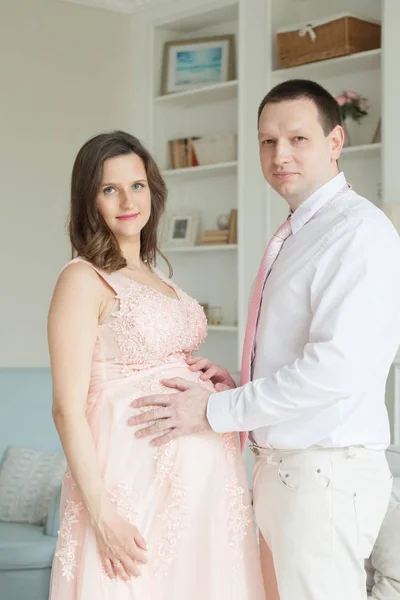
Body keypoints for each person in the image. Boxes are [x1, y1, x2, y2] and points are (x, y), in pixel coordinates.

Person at [129, 80, 400, 600]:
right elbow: (298, 353)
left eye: (298, 139)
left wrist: (215, 409)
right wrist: (240, 381)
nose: (280, 155)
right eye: (267, 141)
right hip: (283, 472)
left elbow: (334, 370)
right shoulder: (302, 231)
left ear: (336, 141)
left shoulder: (357, 232)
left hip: (322, 473)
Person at [47, 131, 265, 600]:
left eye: (138, 185)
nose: (128, 200)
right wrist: (104, 515)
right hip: (132, 487)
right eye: (110, 189)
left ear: (153, 191)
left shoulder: (156, 275)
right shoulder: (82, 279)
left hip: (202, 493)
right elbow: (67, 408)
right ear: (89, 200)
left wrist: (206, 376)